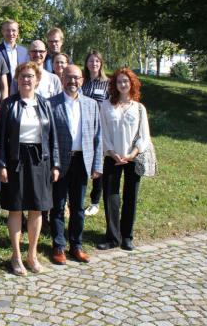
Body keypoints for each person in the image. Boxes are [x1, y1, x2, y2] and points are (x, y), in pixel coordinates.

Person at [0, 62, 60, 275]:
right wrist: (2, 164)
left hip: (39, 160)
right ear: (17, 78)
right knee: (16, 207)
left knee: (37, 207)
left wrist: (55, 164)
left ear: (37, 79)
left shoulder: (45, 104)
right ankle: (16, 256)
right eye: (23, 76)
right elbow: (0, 137)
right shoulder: (8, 104)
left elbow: (53, 137)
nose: (26, 79)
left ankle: (31, 255)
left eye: (31, 76)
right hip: (15, 159)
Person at [48, 65, 103, 265]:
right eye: (69, 78)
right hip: (60, 161)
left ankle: (76, 245)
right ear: (62, 78)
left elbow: (98, 136)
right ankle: (58, 246)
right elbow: (48, 137)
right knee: (58, 205)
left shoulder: (91, 104)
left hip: (82, 161)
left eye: (77, 78)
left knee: (78, 207)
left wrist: (97, 165)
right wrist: (52, 164)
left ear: (82, 80)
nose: (73, 82)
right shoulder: (51, 104)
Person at [97, 68, 150, 252]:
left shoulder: (139, 108)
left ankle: (127, 236)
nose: (122, 84)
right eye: (119, 81)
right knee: (111, 196)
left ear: (132, 83)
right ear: (114, 84)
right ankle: (112, 236)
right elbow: (102, 131)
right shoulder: (106, 106)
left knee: (130, 197)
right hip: (112, 157)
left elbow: (144, 136)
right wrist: (111, 152)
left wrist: (133, 153)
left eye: (126, 81)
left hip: (132, 158)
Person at [81, 51, 110, 216]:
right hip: (83, 129)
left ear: (101, 64)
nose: (94, 64)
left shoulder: (107, 84)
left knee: (97, 166)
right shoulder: (82, 83)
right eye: (91, 61)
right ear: (86, 64)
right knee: (83, 164)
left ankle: (95, 202)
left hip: (100, 130)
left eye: (97, 61)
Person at [0, 19, 29, 91]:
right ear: (3, 32)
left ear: (18, 32)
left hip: (21, 91)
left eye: (14, 30)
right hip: (1, 91)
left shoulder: (24, 51)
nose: (11, 33)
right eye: (8, 30)